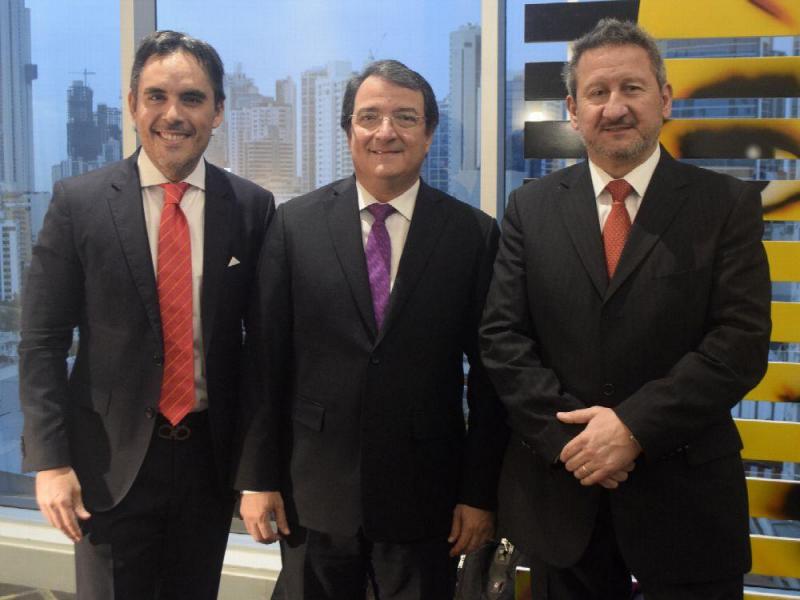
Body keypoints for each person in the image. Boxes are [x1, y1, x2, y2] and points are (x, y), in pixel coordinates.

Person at [480, 18, 771, 600]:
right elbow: (503, 339)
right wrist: (578, 445)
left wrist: (633, 427)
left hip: (686, 508)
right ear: (572, 110)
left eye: (632, 88)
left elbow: (738, 343)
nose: (615, 107)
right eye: (597, 92)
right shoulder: (529, 209)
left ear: (664, 99)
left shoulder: (725, 204)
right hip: (564, 504)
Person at [235, 59, 507, 599]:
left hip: (426, 495)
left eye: (405, 117)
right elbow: (265, 362)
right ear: (348, 132)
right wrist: (257, 479)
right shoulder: (294, 225)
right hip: (312, 491)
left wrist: (478, 494)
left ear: (429, 134)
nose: (386, 132)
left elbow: (490, 377)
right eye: (370, 117)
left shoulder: (472, 235)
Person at [19, 30, 274, 600]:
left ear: (217, 112)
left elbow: (261, 350)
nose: (173, 114)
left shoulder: (252, 208)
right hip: (108, 465)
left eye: (192, 99)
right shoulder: (78, 203)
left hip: (209, 462)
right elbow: (41, 340)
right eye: (156, 96)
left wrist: (257, 471)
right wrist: (51, 463)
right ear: (133, 105)